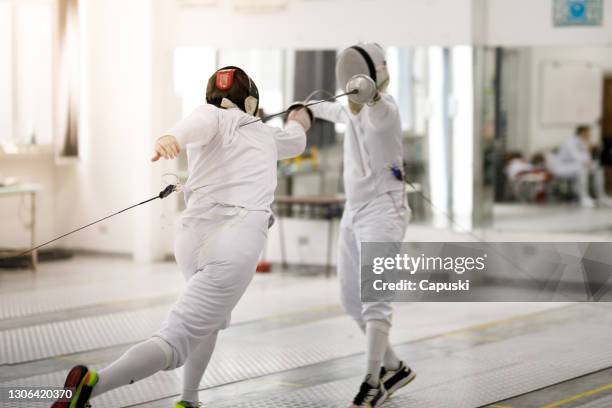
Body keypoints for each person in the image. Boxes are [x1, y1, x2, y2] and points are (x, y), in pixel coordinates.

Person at [51, 66, 311, 408]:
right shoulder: (261, 132)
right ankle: (90, 388)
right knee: (176, 340)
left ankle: (188, 400)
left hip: (191, 240)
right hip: (234, 243)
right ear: (250, 102)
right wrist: (300, 118)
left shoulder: (226, 120)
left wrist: (172, 138)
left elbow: (196, 126)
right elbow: (295, 139)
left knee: (209, 320)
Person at [309, 43, 415, 408]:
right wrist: (303, 107)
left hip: (384, 212)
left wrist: (370, 94)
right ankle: (394, 367)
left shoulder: (386, 110)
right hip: (354, 213)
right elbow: (336, 110)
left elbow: (377, 108)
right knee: (351, 301)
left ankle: (373, 381)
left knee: (375, 301)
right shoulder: (352, 113)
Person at [550, 125, 612, 208]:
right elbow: (576, 157)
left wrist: (590, 163)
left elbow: (587, 158)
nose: (590, 135)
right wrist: (587, 163)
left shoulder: (583, 142)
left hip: (577, 166)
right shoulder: (569, 142)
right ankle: (583, 197)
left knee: (598, 169)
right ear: (582, 133)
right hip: (563, 167)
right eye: (589, 133)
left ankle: (601, 196)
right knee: (582, 169)